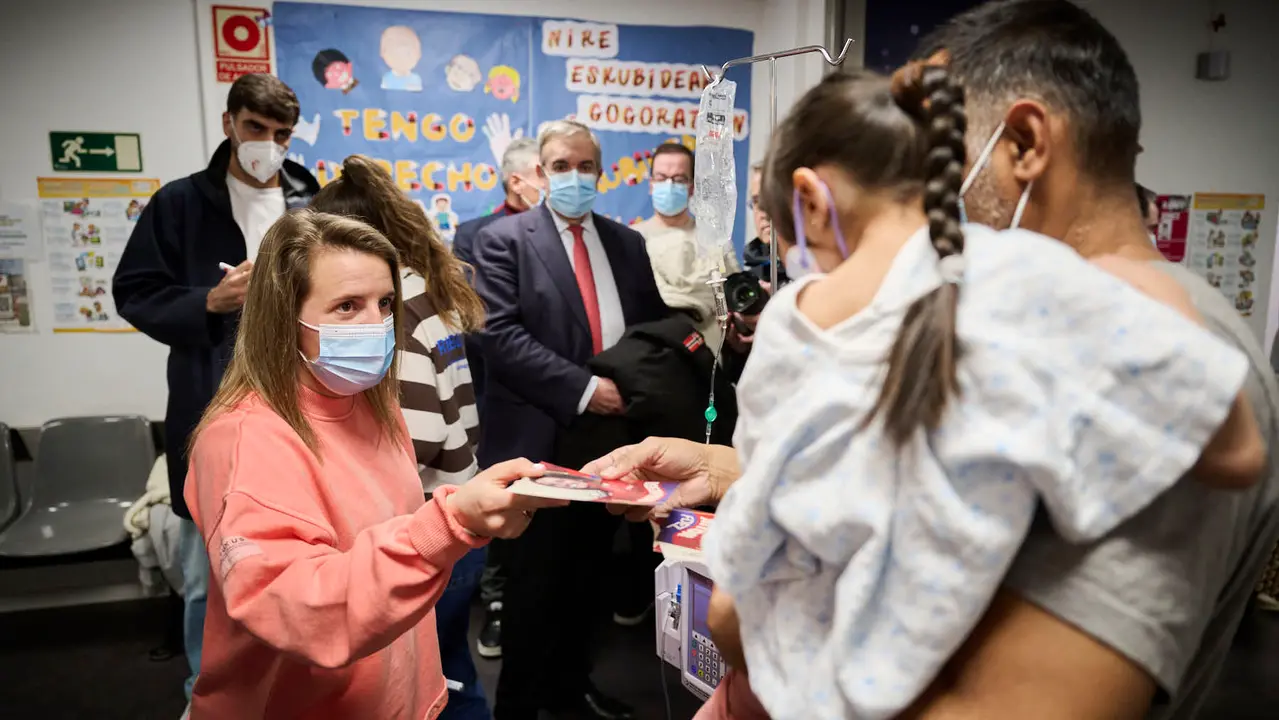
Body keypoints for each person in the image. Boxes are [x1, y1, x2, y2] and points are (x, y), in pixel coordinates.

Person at [597, 2, 1279, 718]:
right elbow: (955, 469)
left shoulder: (1138, 362)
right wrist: (725, 470)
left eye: (932, 154)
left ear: (1022, 143)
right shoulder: (1004, 319)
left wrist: (746, 626)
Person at [183, 209, 562, 718]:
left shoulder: (373, 406)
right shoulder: (246, 438)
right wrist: (450, 524)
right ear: (282, 316)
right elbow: (299, 608)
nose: (376, 324)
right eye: (345, 306)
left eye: (384, 303)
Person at [112, 72, 319, 706]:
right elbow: (135, 292)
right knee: (209, 576)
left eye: (281, 134)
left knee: (304, 561)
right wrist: (209, 299)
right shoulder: (180, 203)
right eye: (256, 129)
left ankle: (296, 691)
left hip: (306, 407)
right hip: (214, 407)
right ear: (229, 123)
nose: (268, 145)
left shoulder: (313, 202)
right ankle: (208, 698)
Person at [473, 119, 668, 720]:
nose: (574, 177)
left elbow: (651, 330)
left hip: (612, 442)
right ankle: (521, 708)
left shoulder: (627, 244)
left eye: (586, 167)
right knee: (536, 591)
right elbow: (497, 335)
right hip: (540, 437)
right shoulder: (503, 240)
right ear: (539, 172)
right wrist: (585, 389)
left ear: (601, 174)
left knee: (589, 582)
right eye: (561, 166)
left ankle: (574, 691)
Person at [308, 155, 490, 719]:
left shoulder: (394, 308)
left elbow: (422, 433)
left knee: (428, 687)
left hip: (429, 526)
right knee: (454, 673)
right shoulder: (425, 288)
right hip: (459, 514)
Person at [451, 136, 547, 661]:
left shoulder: (566, 235)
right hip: (495, 392)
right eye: (547, 171)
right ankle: (494, 606)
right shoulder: (472, 236)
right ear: (518, 179)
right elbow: (476, 320)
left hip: (553, 396)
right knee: (498, 499)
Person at [632, 142, 737, 350]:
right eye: (661, 178)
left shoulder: (715, 239)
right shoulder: (631, 239)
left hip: (708, 356)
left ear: (691, 187)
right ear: (651, 184)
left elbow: (730, 298)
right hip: (652, 355)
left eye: (679, 179)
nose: (669, 185)